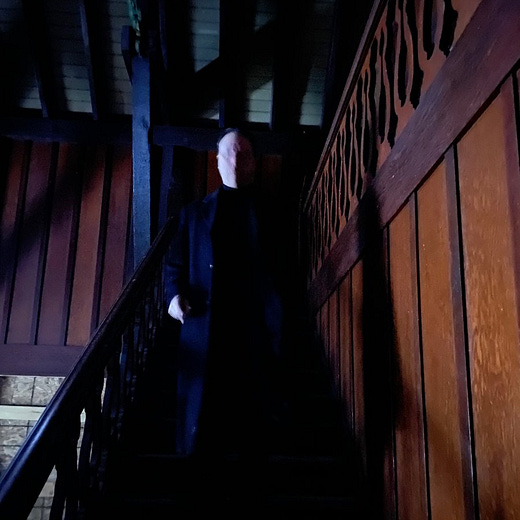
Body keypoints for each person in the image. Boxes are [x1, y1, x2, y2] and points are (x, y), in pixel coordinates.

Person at [165, 128, 283, 463]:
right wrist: (173, 298)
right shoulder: (193, 214)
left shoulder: (274, 213)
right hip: (206, 325)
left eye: (243, 152)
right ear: (217, 161)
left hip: (256, 330)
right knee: (202, 424)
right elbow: (174, 265)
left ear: (253, 162)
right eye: (230, 152)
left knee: (253, 425)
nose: (236, 158)